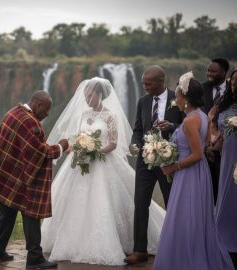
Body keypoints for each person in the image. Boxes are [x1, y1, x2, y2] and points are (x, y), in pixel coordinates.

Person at [41, 77, 166, 266]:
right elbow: (76, 138)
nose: (87, 99)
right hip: (81, 163)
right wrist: (77, 148)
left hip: (102, 162)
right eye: (85, 96)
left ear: (99, 95)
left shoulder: (110, 116)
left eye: (90, 96)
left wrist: (95, 152)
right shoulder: (83, 115)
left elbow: (114, 143)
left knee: (107, 200)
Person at [153, 71, 234, 270]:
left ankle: (185, 261)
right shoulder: (202, 116)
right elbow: (206, 144)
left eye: (178, 96)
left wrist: (173, 165)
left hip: (188, 174)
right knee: (196, 219)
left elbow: (197, 154)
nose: (176, 99)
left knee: (184, 219)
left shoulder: (190, 121)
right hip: (200, 173)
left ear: (186, 99)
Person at [0, 91, 69, 269]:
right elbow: (39, 152)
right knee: (31, 216)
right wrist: (61, 147)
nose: (48, 114)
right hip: (21, 180)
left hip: (6, 176)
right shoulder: (30, 123)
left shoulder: (12, 113)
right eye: (47, 110)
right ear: (38, 105)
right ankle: (35, 258)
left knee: (6, 214)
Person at [124, 66, 184, 264]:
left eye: (148, 83)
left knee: (171, 204)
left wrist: (172, 126)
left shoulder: (179, 99)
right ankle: (139, 250)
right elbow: (138, 128)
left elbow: (189, 125)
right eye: (143, 82)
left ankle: (175, 247)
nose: (144, 86)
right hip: (145, 162)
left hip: (168, 161)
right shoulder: (143, 101)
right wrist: (135, 143)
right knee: (140, 203)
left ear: (161, 81)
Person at [216, 68, 237, 268]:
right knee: (227, 195)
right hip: (227, 157)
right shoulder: (225, 104)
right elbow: (215, 125)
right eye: (232, 82)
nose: (234, 86)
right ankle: (224, 240)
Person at [202, 58, 230, 204]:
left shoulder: (233, 90)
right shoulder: (201, 89)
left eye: (213, 71)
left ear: (224, 72)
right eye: (208, 70)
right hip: (205, 150)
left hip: (227, 148)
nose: (209, 74)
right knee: (208, 193)